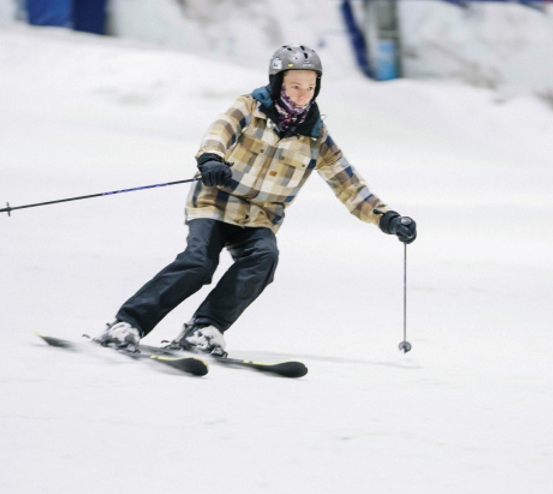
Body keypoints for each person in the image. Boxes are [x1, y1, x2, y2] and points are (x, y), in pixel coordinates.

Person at [94, 44, 417, 357]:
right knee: (198, 263)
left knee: (263, 258)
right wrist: (211, 159)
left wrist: (387, 218)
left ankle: (205, 329)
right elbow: (219, 131)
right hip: (215, 202)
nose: (303, 94)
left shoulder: (316, 136)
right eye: (294, 86)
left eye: (310, 86)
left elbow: (348, 184)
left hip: (260, 216)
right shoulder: (249, 108)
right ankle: (128, 323)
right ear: (278, 84)